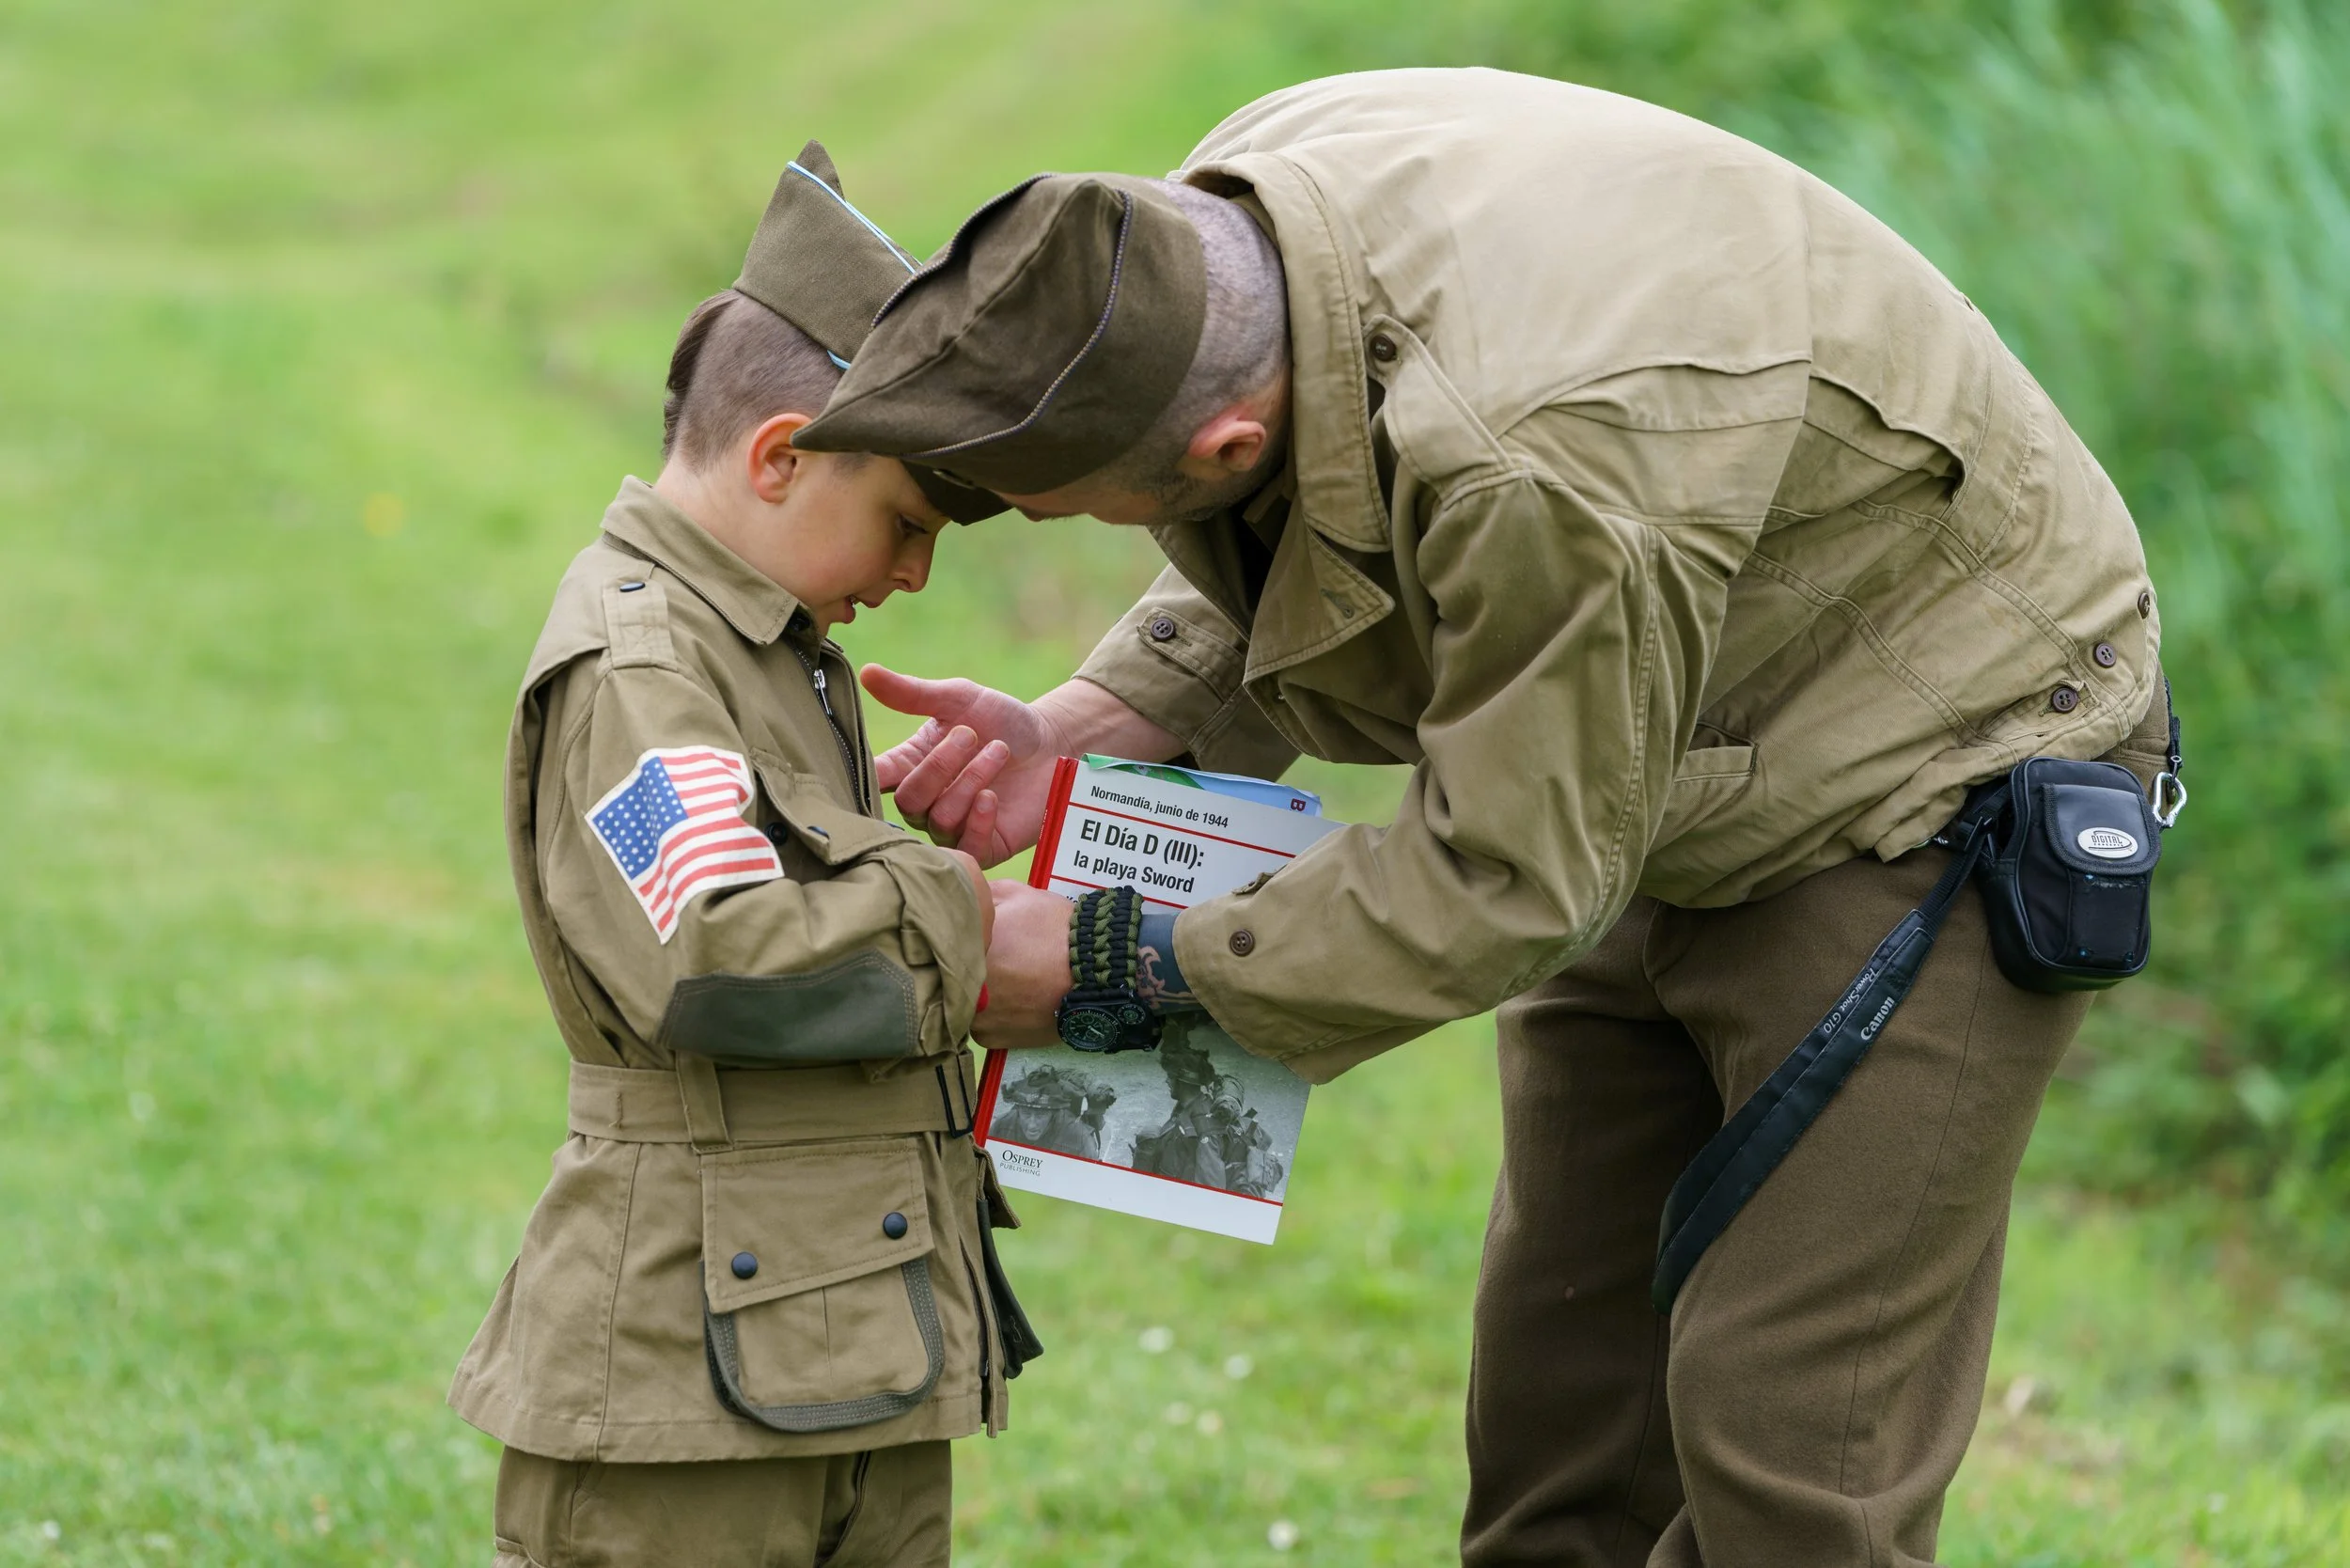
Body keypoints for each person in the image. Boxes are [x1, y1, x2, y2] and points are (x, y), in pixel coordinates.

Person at [791, 72, 2178, 1566]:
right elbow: (1326, 500)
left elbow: (1504, 878)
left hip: (1929, 769)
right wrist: (1105, 714)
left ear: (1218, 452)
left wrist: (1116, 960)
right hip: (1661, 722)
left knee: (1790, 1468)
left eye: (1085, 508)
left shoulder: (1538, 457)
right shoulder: (1229, 217)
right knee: (1561, 1429)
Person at [446, 142, 1034, 1568]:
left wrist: (879, 855)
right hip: (686, 1393)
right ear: (780, 456)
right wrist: (958, 913)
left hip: (831, 1335)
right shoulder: (644, 657)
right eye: (905, 524)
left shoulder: (768, 647)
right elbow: (715, 957)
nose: (912, 577)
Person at [995, 1061, 1118, 1159]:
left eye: (1040, 1116)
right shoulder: (1003, 1124)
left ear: (1054, 1113)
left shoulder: (1081, 1139)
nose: (1031, 1125)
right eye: (1026, 1114)